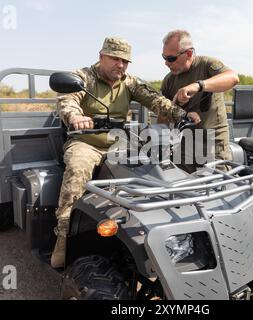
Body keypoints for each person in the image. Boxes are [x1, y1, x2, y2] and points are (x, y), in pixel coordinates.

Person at [52, 37, 200, 268]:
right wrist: (75, 117)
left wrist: (181, 115)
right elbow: (68, 101)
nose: (120, 65)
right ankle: (63, 238)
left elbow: (156, 100)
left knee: (153, 169)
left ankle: (156, 232)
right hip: (86, 141)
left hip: (119, 143)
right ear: (101, 56)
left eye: (125, 61)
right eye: (115, 59)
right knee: (77, 170)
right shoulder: (83, 77)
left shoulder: (128, 82)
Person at [158, 30, 240, 173]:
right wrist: (160, 141)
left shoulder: (207, 65)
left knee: (218, 187)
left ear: (188, 54)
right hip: (185, 144)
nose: (166, 63)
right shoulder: (169, 80)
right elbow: (163, 116)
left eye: (171, 58)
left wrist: (198, 86)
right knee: (179, 185)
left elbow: (233, 78)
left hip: (213, 144)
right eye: (164, 57)